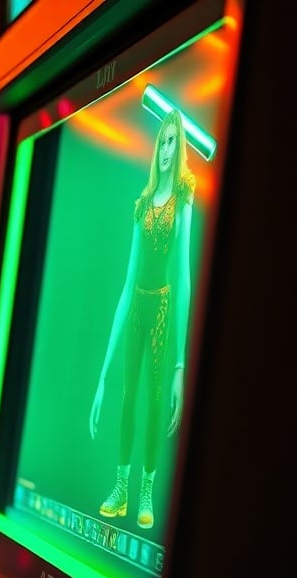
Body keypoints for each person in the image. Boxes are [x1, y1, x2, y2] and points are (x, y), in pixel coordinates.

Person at [88, 108, 196, 530]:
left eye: (173, 141)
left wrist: (181, 365)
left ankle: (146, 488)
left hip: (164, 307)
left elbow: (183, 275)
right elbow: (127, 281)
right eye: (162, 141)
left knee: (153, 399)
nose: (166, 149)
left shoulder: (184, 197)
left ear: (180, 145)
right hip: (136, 306)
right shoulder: (141, 204)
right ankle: (121, 486)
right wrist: (102, 373)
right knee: (128, 395)